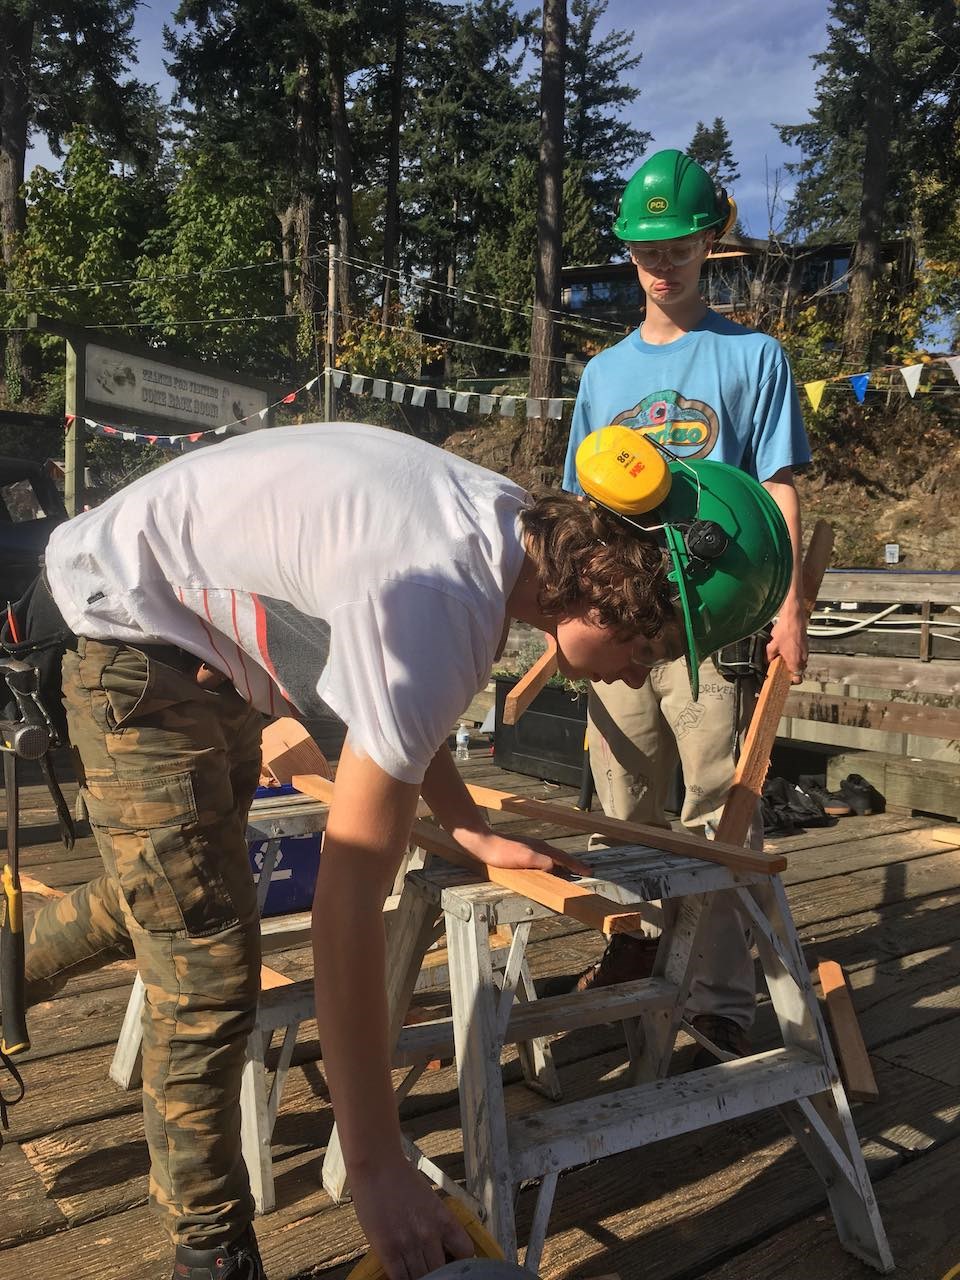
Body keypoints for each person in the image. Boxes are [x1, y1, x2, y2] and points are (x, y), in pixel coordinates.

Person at [19, 420, 689, 1280]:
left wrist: (468, 826)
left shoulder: (501, 532)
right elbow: (348, 898)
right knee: (205, 962)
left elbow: (404, 705)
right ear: (607, 587)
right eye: (652, 647)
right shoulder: (442, 594)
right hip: (126, 646)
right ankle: (211, 1249)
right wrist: (375, 1164)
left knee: (170, 892)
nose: (639, 675)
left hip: (200, 656)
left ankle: (9, 963)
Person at [560, 148, 811, 1059]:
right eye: (644, 247)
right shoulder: (601, 378)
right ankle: (630, 950)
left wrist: (789, 604)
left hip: (716, 616)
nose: (661, 263)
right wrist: (568, 617)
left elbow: (778, 491)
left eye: (678, 244)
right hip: (622, 620)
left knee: (716, 806)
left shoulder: (752, 356)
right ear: (628, 251)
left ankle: (716, 993)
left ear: (711, 243)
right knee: (623, 799)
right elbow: (582, 512)